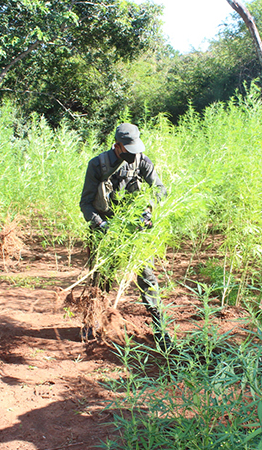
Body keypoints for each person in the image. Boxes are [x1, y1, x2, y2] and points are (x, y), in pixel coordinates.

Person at [79, 123, 170, 346]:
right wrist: (101, 225)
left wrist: (148, 210)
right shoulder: (98, 165)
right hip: (106, 231)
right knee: (100, 279)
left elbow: (160, 189)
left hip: (135, 232)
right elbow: (86, 204)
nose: (133, 154)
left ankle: (160, 331)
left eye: (135, 149)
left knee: (147, 278)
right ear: (117, 146)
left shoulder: (142, 161)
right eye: (128, 149)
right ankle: (94, 324)